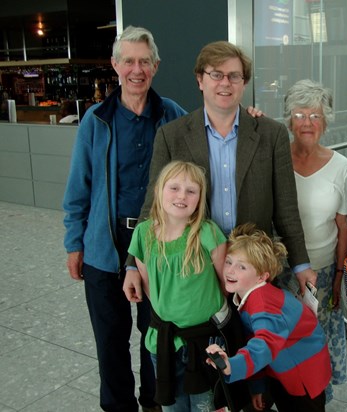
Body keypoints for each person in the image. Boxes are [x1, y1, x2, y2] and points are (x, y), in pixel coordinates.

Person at [123, 40, 316, 303]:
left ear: (243, 83)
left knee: (254, 340)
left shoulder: (272, 134)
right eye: (216, 74)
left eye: (234, 76)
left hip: (253, 268)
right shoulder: (172, 136)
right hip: (193, 267)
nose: (225, 83)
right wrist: (134, 264)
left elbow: (286, 209)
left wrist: (301, 265)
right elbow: (154, 205)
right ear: (200, 80)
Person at [63, 25, 187, 412]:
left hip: (159, 245)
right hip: (105, 245)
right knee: (110, 340)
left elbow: (210, 145)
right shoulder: (96, 120)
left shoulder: (173, 116)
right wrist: (74, 243)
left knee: (157, 335)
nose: (137, 69)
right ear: (115, 65)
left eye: (144, 62)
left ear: (156, 66)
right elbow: (78, 188)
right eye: (129, 61)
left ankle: (155, 403)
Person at [128, 160, 227, 411]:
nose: (182, 196)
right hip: (164, 343)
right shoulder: (143, 233)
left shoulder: (208, 233)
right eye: (174, 188)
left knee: (205, 405)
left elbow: (224, 284)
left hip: (205, 343)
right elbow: (149, 283)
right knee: (174, 406)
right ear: (159, 190)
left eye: (191, 191)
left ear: (200, 198)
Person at [205, 223, 332, 412]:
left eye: (242, 267)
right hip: (282, 369)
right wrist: (257, 387)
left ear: (261, 277)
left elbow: (264, 345)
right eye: (229, 262)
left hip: (302, 377)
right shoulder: (246, 294)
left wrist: (231, 366)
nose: (230, 270)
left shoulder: (263, 303)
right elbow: (254, 341)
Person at [282, 79, 347, 402]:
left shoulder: (341, 167)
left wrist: (339, 274)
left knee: (317, 343)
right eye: (299, 115)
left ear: (325, 121)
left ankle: (315, 399)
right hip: (281, 272)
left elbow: (343, 226)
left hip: (323, 274)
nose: (307, 123)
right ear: (288, 120)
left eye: (315, 115)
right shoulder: (277, 158)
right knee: (282, 342)